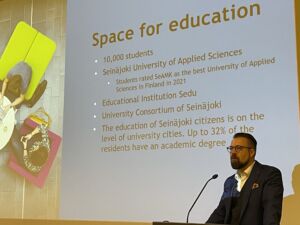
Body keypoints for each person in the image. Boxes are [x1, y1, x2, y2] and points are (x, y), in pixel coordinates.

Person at [206, 132, 284, 225]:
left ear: (251, 152)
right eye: (231, 148)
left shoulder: (269, 174)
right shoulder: (230, 182)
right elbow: (219, 214)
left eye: (238, 148)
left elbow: (271, 216)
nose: (233, 152)